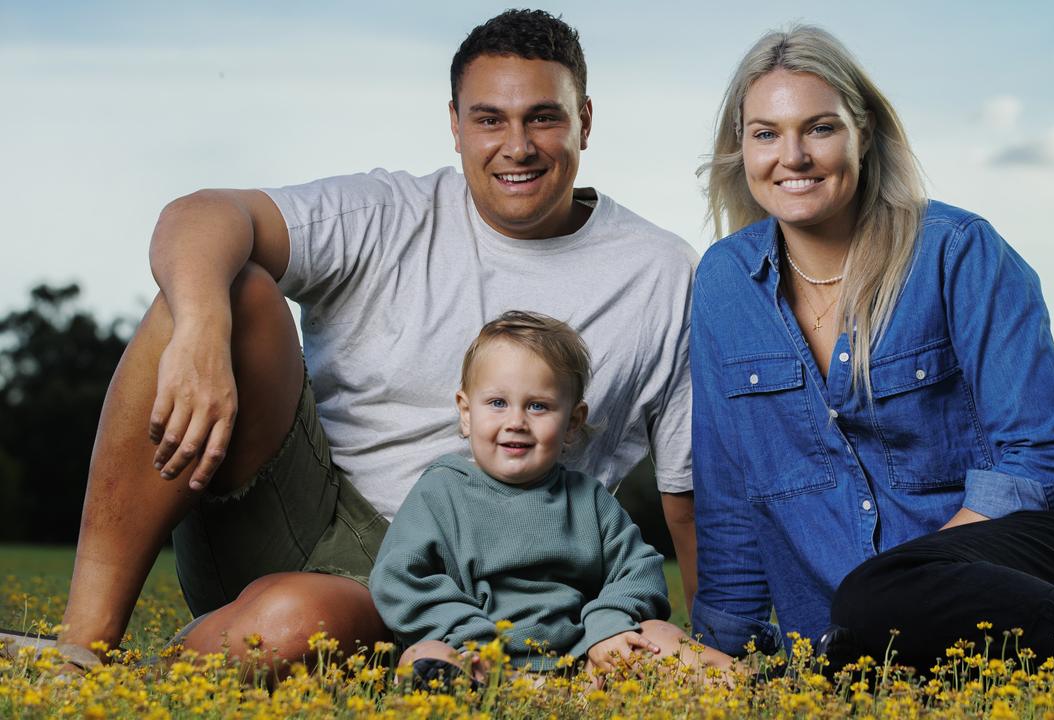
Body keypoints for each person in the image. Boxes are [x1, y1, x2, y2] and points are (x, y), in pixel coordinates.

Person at [53, 9, 698, 673]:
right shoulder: (391, 213)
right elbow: (203, 213)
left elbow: (688, 490)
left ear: (584, 120)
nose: (518, 145)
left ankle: (169, 667)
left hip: (470, 581)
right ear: (454, 124)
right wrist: (201, 328)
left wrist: (715, 642)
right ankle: (80, 648)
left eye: (543, 117)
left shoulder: (661, 273)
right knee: (224, 287)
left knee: (296, 625)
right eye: (489, 119)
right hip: (305, 508)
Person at [690, 23, 1054, 705]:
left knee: (882, 596)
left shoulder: (958, 252)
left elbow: (1045, 456)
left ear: (865, 133)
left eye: (819, 128)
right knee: (879, 636)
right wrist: (719, 655)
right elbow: (731, 499)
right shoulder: (725, 284)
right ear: (740, 147)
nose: (792, 156)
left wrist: (910, 580)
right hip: (886, 624)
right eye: (766, 133)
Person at [371, 311, 733, 684]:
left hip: (582, 659)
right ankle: (445, 688)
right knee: (424, 655)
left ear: (572, 423)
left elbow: (639, 571)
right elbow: (400, 579)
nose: (516, 421)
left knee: (657, 636)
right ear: (466, 412)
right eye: (497, 403)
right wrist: (465, 634)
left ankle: (739, 683)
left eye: (537, 406)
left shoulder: (588, 499)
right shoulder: (440, 492)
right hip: (476, 657)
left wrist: (608, 626)